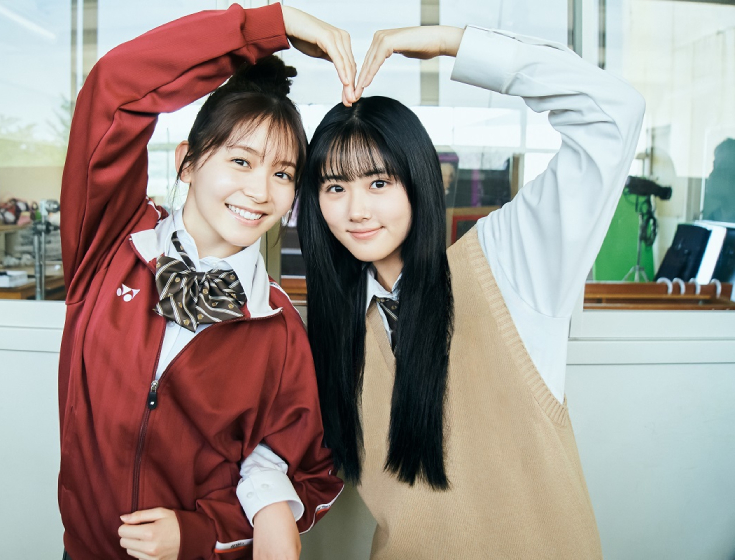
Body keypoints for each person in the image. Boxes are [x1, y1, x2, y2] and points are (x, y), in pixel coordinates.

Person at [247, 23, 646, 559]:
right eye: (335, 187)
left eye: (379, 182)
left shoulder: (508, 266)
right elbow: (268, 443)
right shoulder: (325, 331)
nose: (357, 209)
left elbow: (614, 114)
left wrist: (453, 44)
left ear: (418, 180)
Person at [58, 4, 356, 559]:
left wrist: (197, 532)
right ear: (187, 163)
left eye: (283, 173)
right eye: (241, 161)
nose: (261, 192)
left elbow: (313, 478)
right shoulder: (109, 244)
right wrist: (267, 27)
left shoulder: (277, 328)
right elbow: (115, 89)